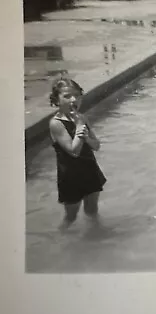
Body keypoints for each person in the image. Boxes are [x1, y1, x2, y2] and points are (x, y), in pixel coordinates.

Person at [49, 78, 107, 230]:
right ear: (57, 100)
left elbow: (96, 145)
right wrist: (79, 127)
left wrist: (87, 137)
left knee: (92, 211)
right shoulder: (56, 123)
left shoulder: (82, 117)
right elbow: (73, 151)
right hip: (71, 176)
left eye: (77, 95)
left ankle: (97, 235)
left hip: (90, 170)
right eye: (67, 96)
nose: (73, 99)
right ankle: (60, 241)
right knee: (71, 217)